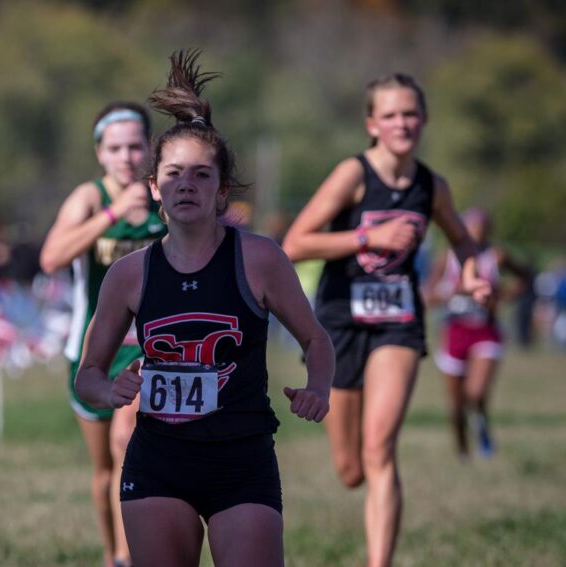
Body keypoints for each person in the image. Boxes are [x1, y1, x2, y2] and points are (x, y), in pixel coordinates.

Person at [74, 50, 335, 567]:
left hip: (242, 457)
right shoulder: (130, 273)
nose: (186, 184)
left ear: (221, 192)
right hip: (158, 460)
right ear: (154, 188)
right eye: (173, 174)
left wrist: (318, 387)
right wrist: (110, 389)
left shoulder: (259, 258)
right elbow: (88, 375)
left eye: (201, 175)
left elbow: (316, 340)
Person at [281, 73, 491, 567]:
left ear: (424, 121)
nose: (403, 123)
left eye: (411, 114)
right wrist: (367, 239)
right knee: (351, 468)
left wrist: (475, 275)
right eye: (391, 115)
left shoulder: (430, 185)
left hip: (399, 323)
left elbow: (463, 239)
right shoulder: (353, 175)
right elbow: (295, 243)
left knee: (380, 447)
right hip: (340, 324)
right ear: (372, 124)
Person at [39, 100, 165, 567]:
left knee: (125, 445)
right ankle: (113, 553)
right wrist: (113, 217)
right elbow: (51, 258)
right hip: (92, 347)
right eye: (116, 148)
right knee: (104, 468)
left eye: (136, 146)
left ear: (149, 150)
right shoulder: (90, 198)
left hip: (148, 349)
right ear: (100, 153)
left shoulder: (162, 193)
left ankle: (133, 555)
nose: (127, 157)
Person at [425, 208, 531, 459]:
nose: (476, 235)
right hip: (454, 331)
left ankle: (481, 426)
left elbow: (525, 276)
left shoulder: (497, 256)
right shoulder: (447, 257)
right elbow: (428, 294)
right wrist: (452, 292)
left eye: (482, 230)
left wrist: (503, 295)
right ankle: (463, 454)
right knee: (457, 405)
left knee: (476, 392)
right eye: (471, 229)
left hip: (486, 331)